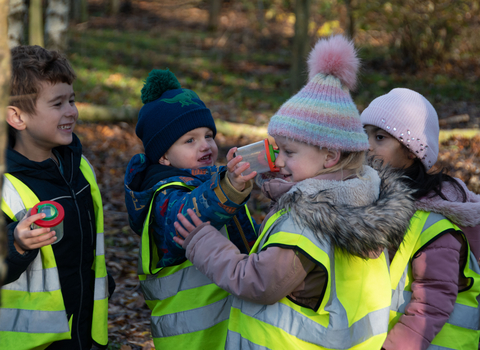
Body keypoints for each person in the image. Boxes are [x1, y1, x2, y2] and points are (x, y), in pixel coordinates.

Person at [172, 35, 416, 349]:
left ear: (329, 156)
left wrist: (202, 241)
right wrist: (282, 185)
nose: (280, 160)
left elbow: (259, 282)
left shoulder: (306, 221)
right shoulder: (361, 197)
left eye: (289, 152)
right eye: (278, 150)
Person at [124, 69, 259, 349]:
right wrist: (229, 188)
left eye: (208, 135)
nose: (206, 145)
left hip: (230, 327)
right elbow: (191, 213)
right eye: (190, 140)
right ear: (162, 155)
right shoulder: (164, 197)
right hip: (190, 337)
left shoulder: (214, 182)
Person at [0, 45, 114, 350]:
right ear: (17, 116)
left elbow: (89, 247)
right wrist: (15, 243)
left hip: (81, 332)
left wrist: (101, 286)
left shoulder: (81, 169)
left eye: (72, 100)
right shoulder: (5, 186)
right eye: (57, 103)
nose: (71, 111)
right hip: (27, 342)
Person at [361, 88, 480, 350]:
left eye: (379, 137)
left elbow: (432, 302)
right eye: (364, 134)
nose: (367, 145)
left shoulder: (433, 223)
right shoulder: (371, 201)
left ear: (412, 150)